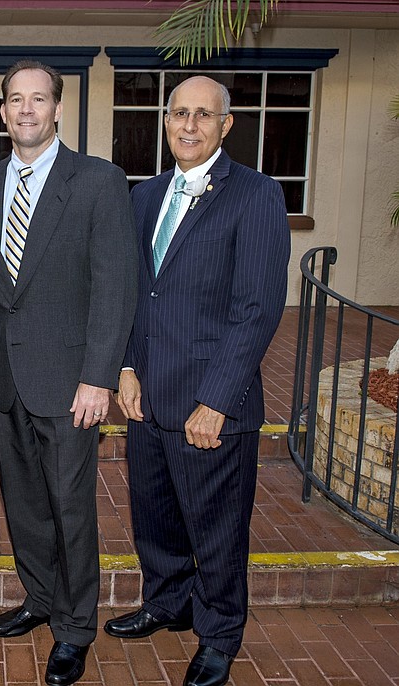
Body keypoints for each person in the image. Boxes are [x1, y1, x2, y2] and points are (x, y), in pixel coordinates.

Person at [0, 60, 137, 686]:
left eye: (39, 99)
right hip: (4, 378)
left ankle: (76, 626)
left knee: (71, 508)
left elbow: (115, 288)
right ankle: (38, 598)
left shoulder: (98, 181)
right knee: (25, 504)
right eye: (15, 100)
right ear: (1, 111)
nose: (26, 110)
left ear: (59, 108)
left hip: (69, 381)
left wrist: (99, 376)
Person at [104, 76, 290, 686]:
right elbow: (135, 291)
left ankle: (218, 633)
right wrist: (127, 367)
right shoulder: (145, 195)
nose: (189, 125)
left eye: (203, 115)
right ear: (165, 119)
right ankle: (166, 601)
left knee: (215, 529)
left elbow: (257, 308)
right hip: (149, 396)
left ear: (225, 124)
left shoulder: (256, 195)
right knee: (154, 514)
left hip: (212, 402)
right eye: (179, 113)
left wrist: (216, 400)